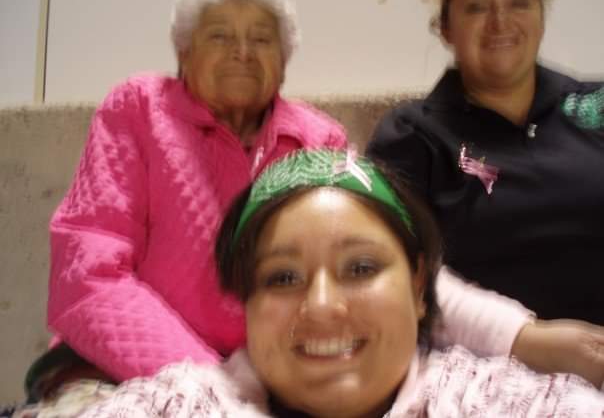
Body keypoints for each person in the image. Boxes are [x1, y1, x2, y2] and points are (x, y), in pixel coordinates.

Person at [19, 0, 600, 415]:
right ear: (184, 51)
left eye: (261, 38)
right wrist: (210, 389)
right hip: (128, 374)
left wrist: (517, 335)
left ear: (285, 61)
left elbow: (389, 266)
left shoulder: (318, 139)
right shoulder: (138, 110)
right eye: (221, 35)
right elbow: (88, 277)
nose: (243, 51)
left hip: (281, 378)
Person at [77, 149, 604, 417]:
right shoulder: (182, 404)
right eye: (282, 277)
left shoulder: (499, 402)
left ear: (419, 287)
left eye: (361, 268)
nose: (323, 306)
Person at [367, 0, 604, 324]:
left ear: (541, 19)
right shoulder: (413, 136)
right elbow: (391, 273)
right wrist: (527, 340)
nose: (500, 22)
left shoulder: (596, 106)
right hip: (486, 353)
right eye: (477, 7)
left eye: (519, 3)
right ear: (445, 28)